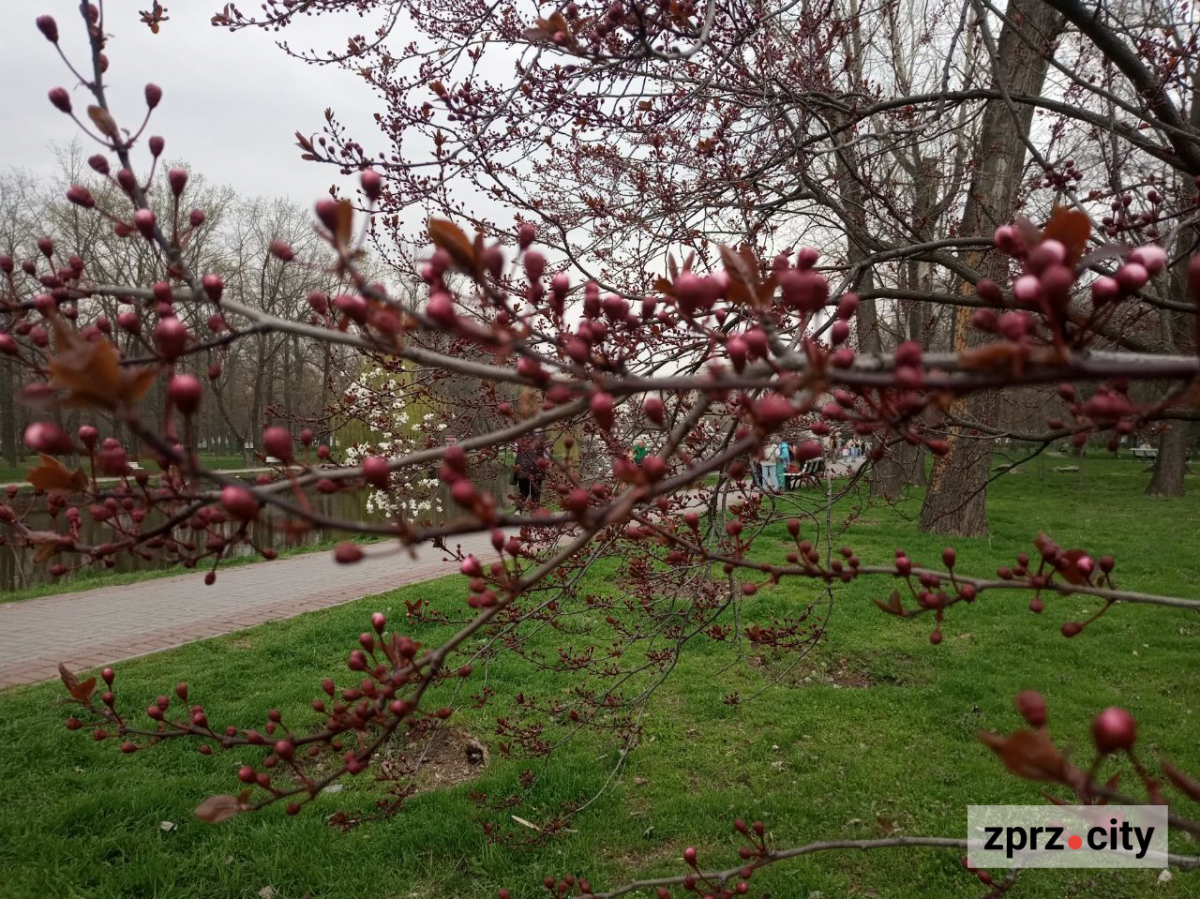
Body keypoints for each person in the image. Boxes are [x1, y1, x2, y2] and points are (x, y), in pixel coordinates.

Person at [514, 431, 549, 506]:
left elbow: (515, 454)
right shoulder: (541, 436)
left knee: (523, 491)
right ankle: (535, 512)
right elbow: (546, 455)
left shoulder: (520, 436)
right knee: (536, 491)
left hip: (522, 469)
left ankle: (518, 512)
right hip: (537, 469)